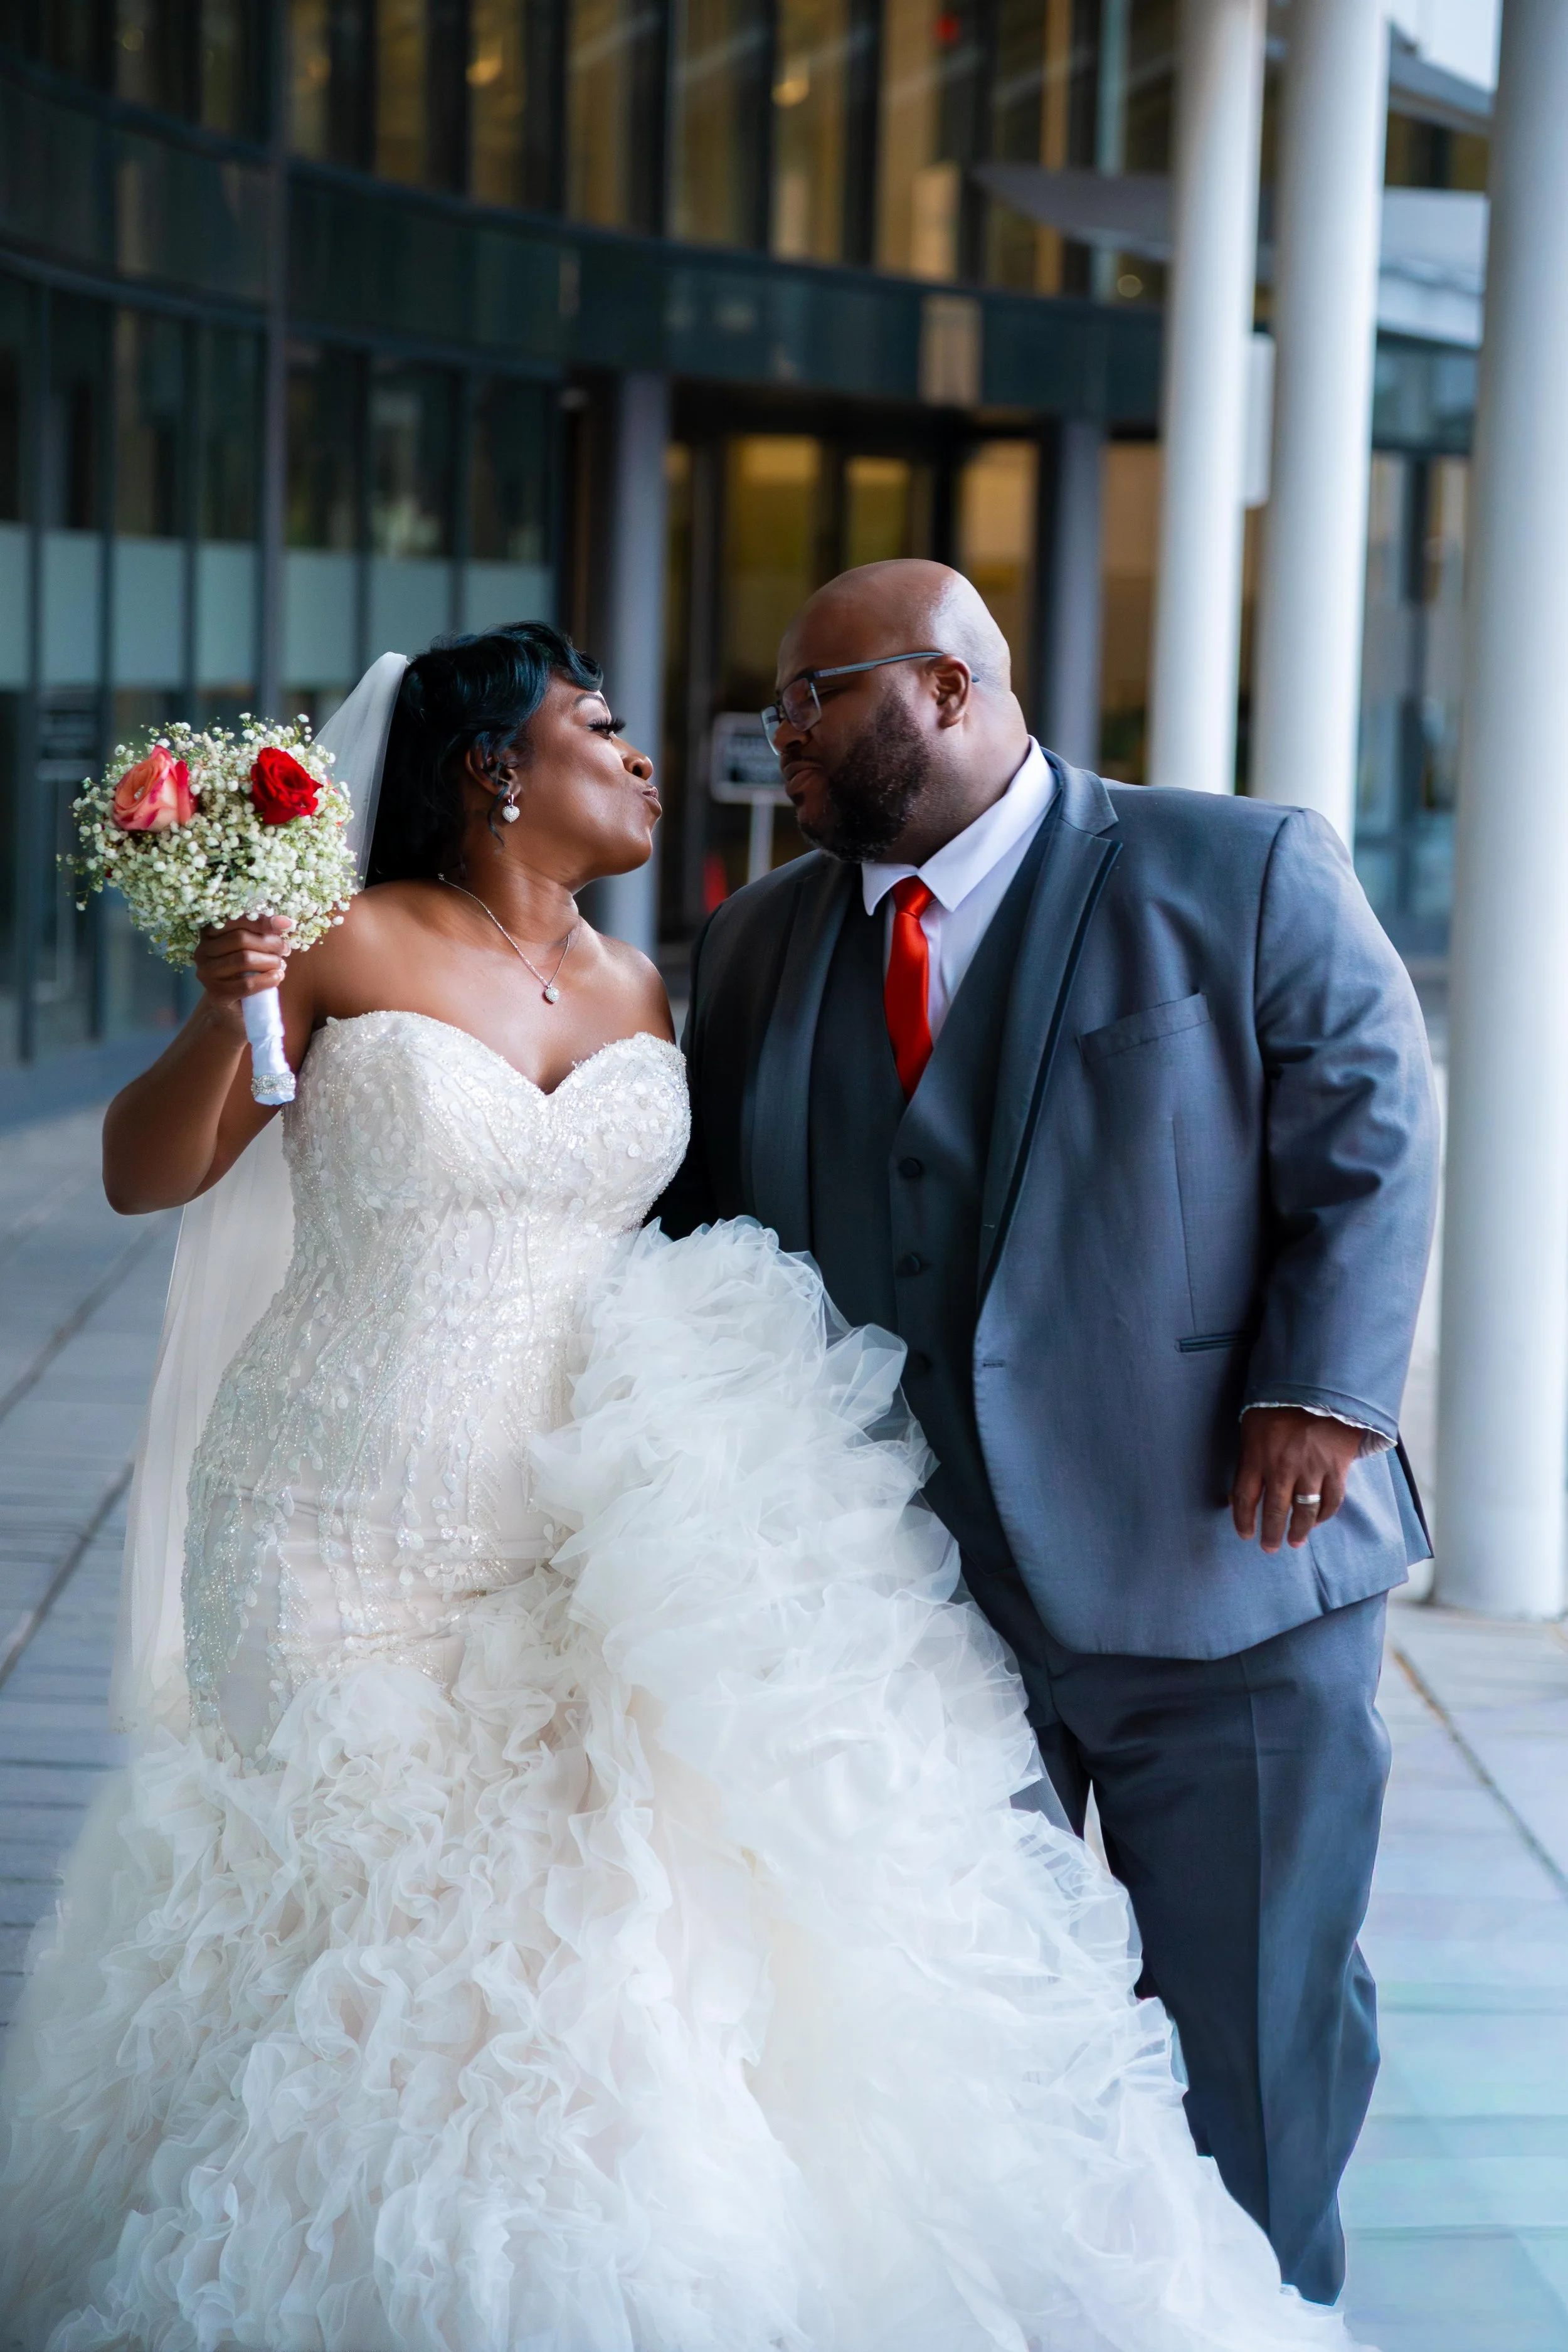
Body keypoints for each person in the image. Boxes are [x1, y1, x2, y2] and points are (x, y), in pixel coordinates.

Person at [0, 623, 1357, 2352]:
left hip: (575, 1523)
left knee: (570, 1940)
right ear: (497, 766)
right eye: (605, 724)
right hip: (331, 1518)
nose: (651, 757)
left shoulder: (648, 986)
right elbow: (147, 1173)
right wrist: (230, 1005)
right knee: (345, 1910)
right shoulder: (342, 939)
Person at [657, 560, 1440, 2310]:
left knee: (1252, 2031)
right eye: (773, 708)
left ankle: (1266, 2326)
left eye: (811, 697)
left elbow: (1371, 1124)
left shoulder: (1233, 866)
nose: (778, 737)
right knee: (983, 2055)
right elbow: (704, 1221)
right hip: (913, 1608)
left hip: (1215, 1568)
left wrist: (1318, 1388)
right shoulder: (765, 936)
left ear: (945, 687)